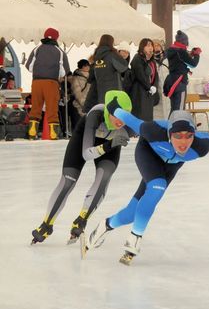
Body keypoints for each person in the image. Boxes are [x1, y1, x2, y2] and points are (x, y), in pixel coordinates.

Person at [84, 108, 209, 265]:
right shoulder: (154, 130)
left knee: (132, 213)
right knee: (158, 186)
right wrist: (114, 108)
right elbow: (130, 119)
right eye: (177, 136)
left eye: (189, 136)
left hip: (171, 165)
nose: (183, 142)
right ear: (169, 134)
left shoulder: (202, 146)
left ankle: (106, 225)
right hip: (148, 153)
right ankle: (135, 237)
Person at [30, 90, 133, 245]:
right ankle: (47, 224)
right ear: (108, 111)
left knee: (103, 178)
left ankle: (82, 219)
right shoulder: (95, 115)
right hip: (86, 144)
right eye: (118, 115)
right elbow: (86, 154)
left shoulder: (129, 125)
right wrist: (110, 144)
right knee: (68, 181)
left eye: (125, 116)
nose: (121, 121)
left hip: (110, 147)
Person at [25, 27, 71, 140]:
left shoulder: (37, 49)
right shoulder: (60, 51)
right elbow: (65, 71)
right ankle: (53, 134)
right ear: (56, 38)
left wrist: (38, 71)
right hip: (51, 82)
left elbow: (28, 66)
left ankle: (32, 133)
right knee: (52, 108)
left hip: (36, 82)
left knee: (35, 107)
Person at [83, 34, 130, 114]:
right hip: (113, 93)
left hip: (100, 94)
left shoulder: (96, 57)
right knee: (113, 117)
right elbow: (124, 66)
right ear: (111, 43)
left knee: (103, 116)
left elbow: (90, 78)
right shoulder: (112, 55)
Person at [163, 30, 201, 113]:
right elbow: (193, 64)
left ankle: (170, 125)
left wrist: (190, 54)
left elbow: (179, 61)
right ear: (185, 41)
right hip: (180, 82)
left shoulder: (170, 50)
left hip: (171, 81)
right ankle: (176, 125)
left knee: (174, 109)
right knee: (179, 110)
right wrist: (197, 54)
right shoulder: (181, 51)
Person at [130, 38, 158, 122]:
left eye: (151, 46)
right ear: (142, 47)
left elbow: (156, 76)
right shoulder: (137, 58)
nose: (151, 48)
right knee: (139, 116)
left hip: (149, 93)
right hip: (139, 91)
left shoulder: (152, 61)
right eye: (148, 45)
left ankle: (146, 133)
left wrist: (154, 86)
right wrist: (149, 87)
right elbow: (140, 75)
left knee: (148, 117)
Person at [70, 59, 91, 128]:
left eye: (88, 65)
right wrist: (84, 104)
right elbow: (77, 93)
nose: (87, 67)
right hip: (79, 105)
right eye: (85, 65)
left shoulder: (92, 77)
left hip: (89, 104)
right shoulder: (76, 78)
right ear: (81, 67)